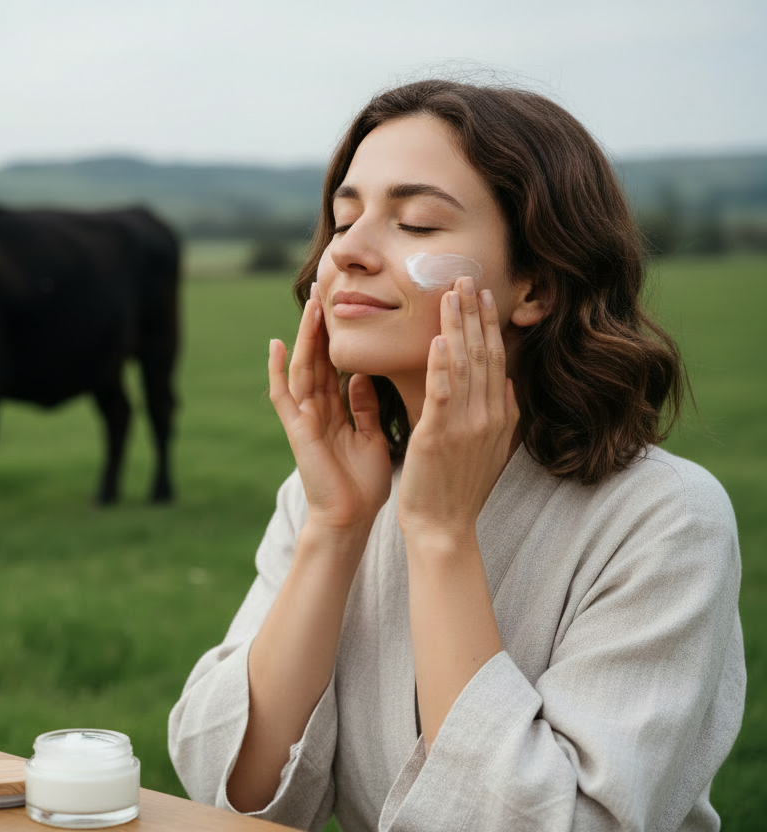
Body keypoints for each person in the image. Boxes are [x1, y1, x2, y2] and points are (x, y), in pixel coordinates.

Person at [168, 79, 745, 832]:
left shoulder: (664, 519)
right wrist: (335, 528)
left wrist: (441, 534)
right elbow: (226, 791)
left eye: (414, 223)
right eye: (343, 218)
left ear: (533, 286)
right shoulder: (331, 497)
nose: (348, 252)